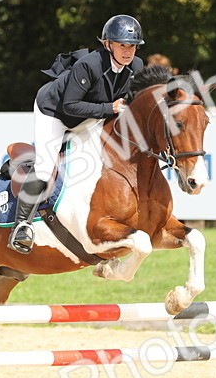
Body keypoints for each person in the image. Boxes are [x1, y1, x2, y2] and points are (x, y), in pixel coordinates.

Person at [9, 14, 147, 254]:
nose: (128, 51)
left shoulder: (136, 67)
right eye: (122, 45)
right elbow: (70, 106)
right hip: (54, 112)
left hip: (92, 113)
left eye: (132, 46)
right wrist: (110, 108)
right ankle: (21, 226)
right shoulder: (90, 65)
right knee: (44, 167)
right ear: (108, 44)